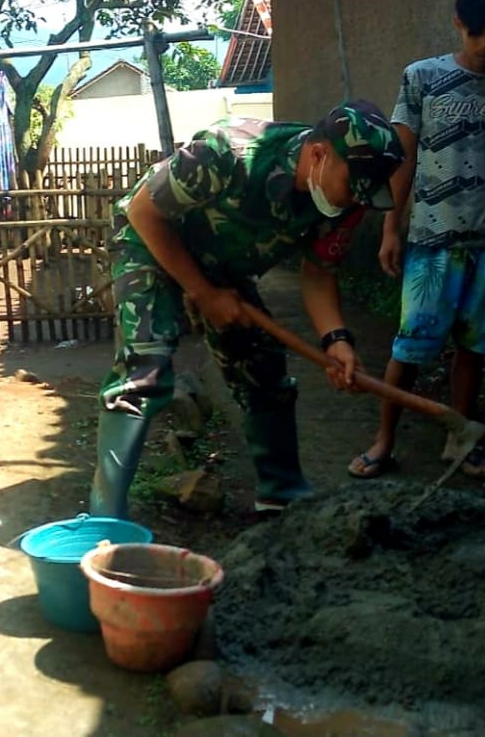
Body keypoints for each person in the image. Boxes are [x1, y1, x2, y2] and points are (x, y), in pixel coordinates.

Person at [90, 100, 404, 519]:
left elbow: (318, 272)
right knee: (145, 365)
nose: (356, 201)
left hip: (220, 260)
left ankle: (282, 493)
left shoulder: (344, 198)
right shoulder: (227, 152)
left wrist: (337, 339)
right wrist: (202, 293)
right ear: (318, 154)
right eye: (352, 186)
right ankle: (104, 514)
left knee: (262, 364)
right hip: (151, 238)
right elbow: (143, 212)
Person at [347, 0, 485, 481]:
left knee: (474, 348)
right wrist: (390, 230)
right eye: (481, 32)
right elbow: (404, 159)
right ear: (459, 25)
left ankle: (460, 441)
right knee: (411, 346)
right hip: (432, 242)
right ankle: (384, 440)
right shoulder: (422, 78)